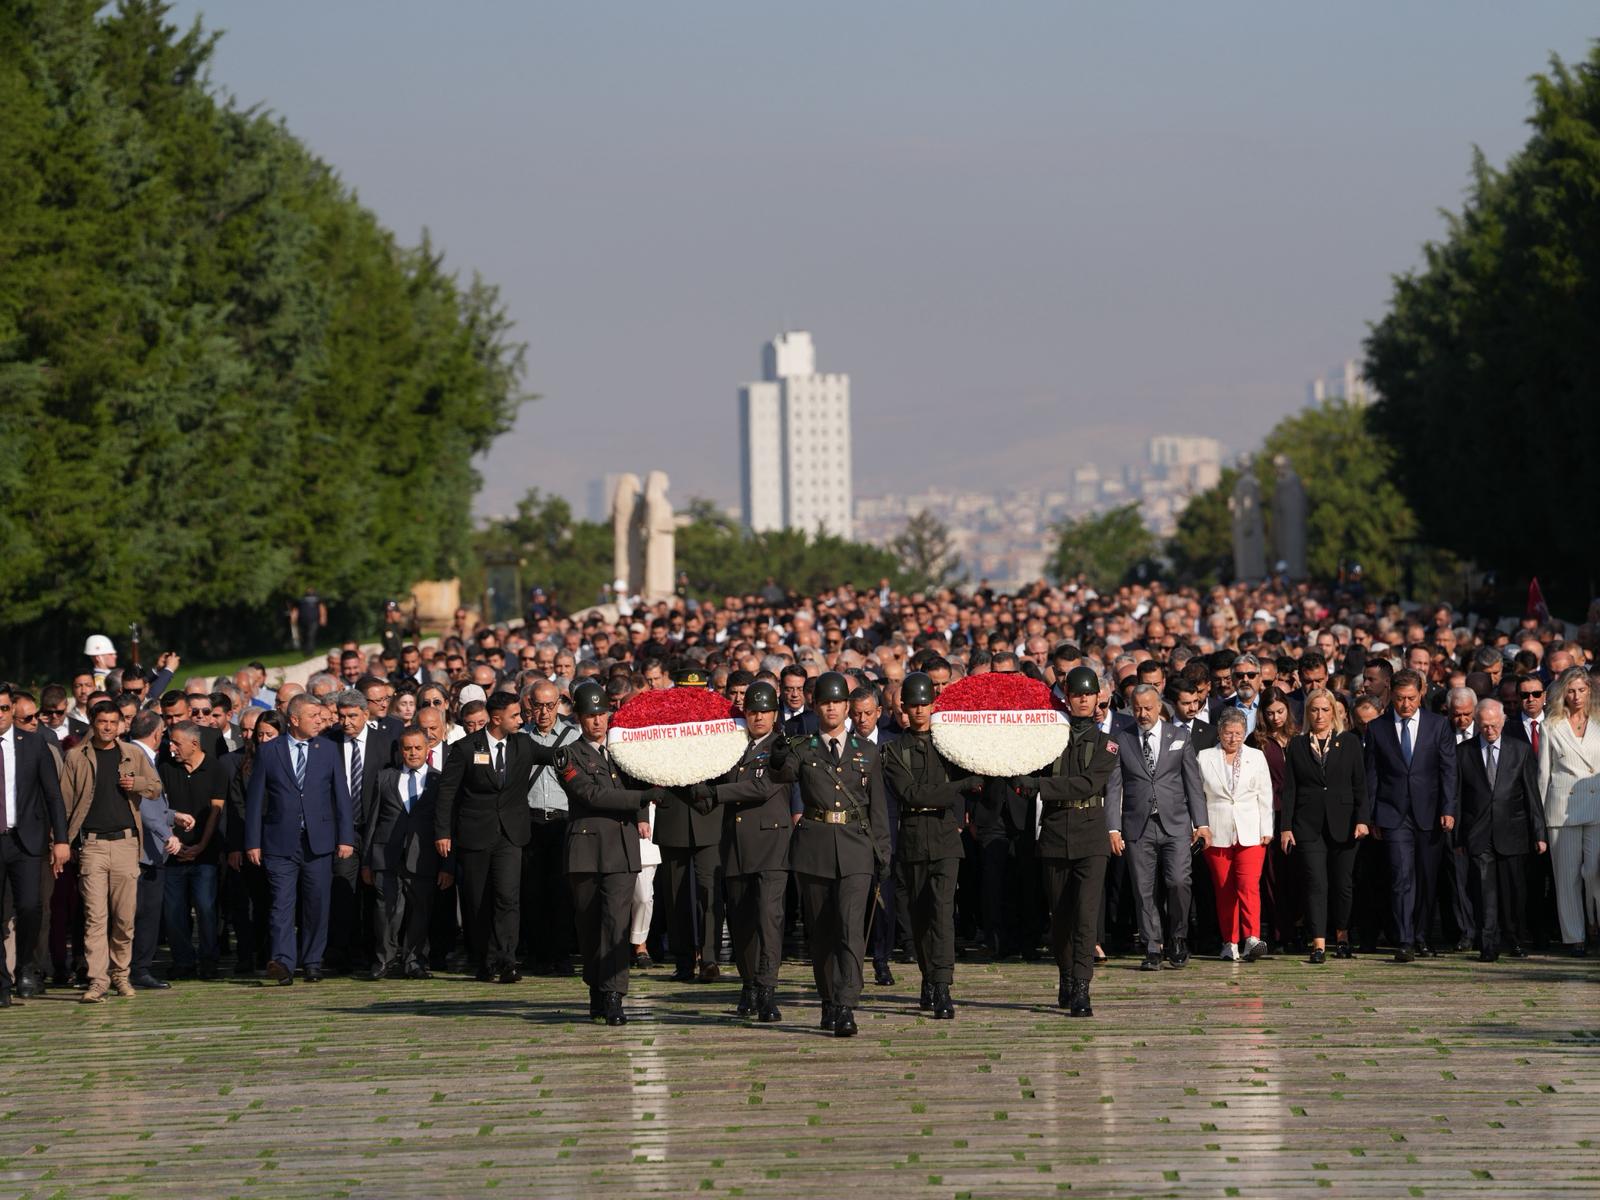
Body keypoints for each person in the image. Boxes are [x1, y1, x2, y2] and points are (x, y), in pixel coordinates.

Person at [769, 671, 891, 1037]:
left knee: (851, 930)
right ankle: (827, 998)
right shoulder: (803, 748)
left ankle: (846, 1003)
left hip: (856, 847)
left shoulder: (866, 751)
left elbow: (877, 808)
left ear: (847, 707)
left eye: (838, 702)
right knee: (821, 932)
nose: (832, 708)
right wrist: (777, 751)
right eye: (826, 702)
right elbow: (781, 776)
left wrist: (882, 854)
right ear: (816, 706)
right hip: (815, 847)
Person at [1013, 665, 1119, 1017]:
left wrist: (1039, 786)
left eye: (1089, 694)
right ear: (1067, 698)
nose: (1084, 700)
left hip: (1090, 834)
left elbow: (1087, 784)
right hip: (1057, 833)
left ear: (1098, 698)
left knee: (1086, 916)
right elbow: (1027, 768)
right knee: (1060, 916)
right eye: (1077, 694)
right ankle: (1066, 974)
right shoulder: (1051, 739)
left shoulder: (1107, 744)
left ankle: (1082, 987)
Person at [434, 692, 560, 984]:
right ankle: (483, 960)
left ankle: (506, 961)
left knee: (508, 898)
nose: (522, 719)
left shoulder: (523, 744)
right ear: (496, 718)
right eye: (515, 715)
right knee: (478, 900)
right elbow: (447, 794)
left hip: (511, 835)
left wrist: (592, 749)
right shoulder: (465, 748)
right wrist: (442, 832)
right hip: (475, 835)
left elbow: (555, 756)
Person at [557, 680, 653, 1027]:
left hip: (622, 848)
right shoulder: (567, 755)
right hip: (587, 849)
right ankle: (596, 989)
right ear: (579, 718)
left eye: (602, 714)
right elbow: (591, 795)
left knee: (616, 924)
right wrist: (641, 801)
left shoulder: (622, 749)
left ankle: (614, 994)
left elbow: (639, 781)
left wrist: (642, 814)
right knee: (589, 925)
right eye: (590, 715)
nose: (597, 721)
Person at [244, 693, 356, 984]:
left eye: (321, 716)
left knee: (317, 903)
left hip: (318, 841)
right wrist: (252, 842)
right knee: (281, 903)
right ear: (294, 719)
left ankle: (313, 960)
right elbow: (256, 799)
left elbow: (341, 796)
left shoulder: (328, 749)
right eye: (313, 716)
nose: (320, 720)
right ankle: (282, 962)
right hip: (279, 841)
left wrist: (346, 837)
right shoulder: (270, 751)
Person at [59, 700, 163, 1002]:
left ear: (121, 724)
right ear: (93, 721)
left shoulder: (132, 753)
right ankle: (97, 980)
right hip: (91, 844)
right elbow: (64, 803)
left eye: (112, 722)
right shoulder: (76, 756)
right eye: (101, 721)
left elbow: (156, 787)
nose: (107, 727)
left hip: (126, 843)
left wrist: (137, 782)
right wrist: (61, 841)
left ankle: (121, 974)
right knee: (95, 916)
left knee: (124, 916)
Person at [882, 671, 970, 1019]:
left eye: (925, 704)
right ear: (903, 708)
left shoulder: (948, 743)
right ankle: (928, 977)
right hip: (913, 837)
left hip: (946, 838)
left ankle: (943, 984)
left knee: (942, 912)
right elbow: (911, 793)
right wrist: (958, 790)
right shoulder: (893, 750)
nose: (919, 711)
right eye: (913, 705)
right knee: (918, 916)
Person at [702, 680, 791, 1023]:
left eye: (765, 711)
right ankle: (749, 982)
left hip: (770, 845)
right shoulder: (732, 746)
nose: (758, 717)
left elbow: (763, 786)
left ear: (775, 714)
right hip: (735, 844)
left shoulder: (781, 746)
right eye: (753, 711)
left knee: (769, 920)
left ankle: (767, 989)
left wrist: (717, 794)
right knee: (740, 921)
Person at [1104, 683, 1209, 970]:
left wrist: (1201, 823)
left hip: (1174, 822)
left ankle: (1177, 936)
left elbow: (1193, 783)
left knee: (1178, 881)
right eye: (1136, 708)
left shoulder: (1179, 736)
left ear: (1160, 706)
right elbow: (1114, 787)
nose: (1142, 714)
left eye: (1148, 708)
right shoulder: (1120, 739)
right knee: (1143, 888)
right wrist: (1113, 828)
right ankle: (1152, 946)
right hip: (1137, 824)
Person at [1363, 669, 1458, 962]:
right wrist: (1372, 816)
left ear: (1422, 693)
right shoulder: (1377, 728)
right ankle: (1404, 940)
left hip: (1430, 812)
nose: (1406, 704)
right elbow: (1372, 774)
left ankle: (1421, 936)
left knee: (1427, 878)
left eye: (1411, 698)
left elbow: (1448, 770)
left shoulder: (1438, 725)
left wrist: (1448, 809)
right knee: (1400, 876)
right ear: (1391, 694)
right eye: (1400, 698)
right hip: (1393, 814)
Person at [1279, 688, 1370, 962]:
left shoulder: (1350, 742)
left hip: (1344, 823)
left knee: (1342, 884)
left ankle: (1341, 937)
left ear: (1334, 712)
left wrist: (1363, 819)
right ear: (1307, 713)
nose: (1319, 715)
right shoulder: (1297, 744)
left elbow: (1360, 785)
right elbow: (1290, 789)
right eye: (1314, 710)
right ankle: (1318, 943)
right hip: (1308, 824)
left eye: (1325, 709)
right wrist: (1286, 827)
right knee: (1315, 882)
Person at [1459, 699, 1547, 961]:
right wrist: (1459, 837)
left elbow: (1532, 795)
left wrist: (1539, 834)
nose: (1489, 731)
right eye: (1484, 726)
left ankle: (1515, 939)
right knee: (1485, 892)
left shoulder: (1519, 750)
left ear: (1503, 722)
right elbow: (1459, 797)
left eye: (1494, 725)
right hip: (1479, 833)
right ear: (1477, 724)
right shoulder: (1464, 752)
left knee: (1513, 892)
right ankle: (1488, 944)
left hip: (1513, 831)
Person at [363, 728, 451, 979]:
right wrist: (367, 861)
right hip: (386, 855)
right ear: (400, 750)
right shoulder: (385, 778)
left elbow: (446, 824)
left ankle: (415, 961)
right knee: (385, 910)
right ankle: (384, 960)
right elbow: (373, 821)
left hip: (423, 857)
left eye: (418, 748)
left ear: (427, 750)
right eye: (408, 748)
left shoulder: (439, 780)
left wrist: (447, 865)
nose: (412, 753)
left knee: (420, 911)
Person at [1196, 708, 1274, 962]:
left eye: (1238, 733)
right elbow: (1197, 796)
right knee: (1224, 889)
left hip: (1251, 830)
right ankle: (1230, 942)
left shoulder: (1256, 757)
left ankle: (1251, 937)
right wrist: (1198, 826)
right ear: (1219, 732)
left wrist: (1267, 829)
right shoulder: (1205, 757)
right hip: (1216, 831)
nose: (1233, 738)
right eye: (1228, 733)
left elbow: (1265, 794)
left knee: (1248, 884)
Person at [324, 690, 394, 974]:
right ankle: (346, 952)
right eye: (341, 716)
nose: (347, 722)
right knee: (344, 888)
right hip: (344, 829)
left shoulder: (385, 743)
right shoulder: (328, 743)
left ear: (366, 714)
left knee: (375, 891)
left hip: (376, 828)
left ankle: (375, 950)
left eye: (352, 716)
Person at [1537, 666, 1600, 954]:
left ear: (1590, 692)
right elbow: (1543, 775)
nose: (1576, 696)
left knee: (1594, 873)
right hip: (1562, 810)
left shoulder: (1599, 723)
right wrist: (1539, 822)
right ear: (1564, 692)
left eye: (1582, 690)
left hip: (1597, 807)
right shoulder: (1551, 726)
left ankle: (1594, 925)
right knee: (1566, 878)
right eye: (1571, 690)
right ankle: (1574, 936)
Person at [520, 679, 580, 975]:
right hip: (529, 820)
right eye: (538, 705)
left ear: (559, 704)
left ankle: (562, 953)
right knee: (532, 892)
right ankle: (538, 954)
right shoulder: (518, 737)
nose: (543, 712)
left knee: (562, 891)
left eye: (550, 705)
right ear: (528, 705)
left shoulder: (574, 736)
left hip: (563, 820)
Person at [158, 722, 227, 980]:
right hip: (173, 851)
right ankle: (183, 960)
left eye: (176, 743)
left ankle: (209, 959)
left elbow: (215, 810)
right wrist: (172, 839)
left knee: (206, 908)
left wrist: (201, 846)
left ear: (194, 744)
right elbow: (159, 807)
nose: (171, 747)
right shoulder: (165, 768)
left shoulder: (215, 768)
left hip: (205, 854)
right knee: (174, 910)